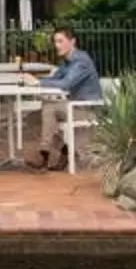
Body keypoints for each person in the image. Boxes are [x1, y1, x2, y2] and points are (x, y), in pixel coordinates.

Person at [28, 27, 102, 169]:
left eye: (60, 41)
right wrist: (35, 79)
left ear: (72, 42)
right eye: (55, 41)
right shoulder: (66, 62)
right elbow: (55, 78)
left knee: (50, 107)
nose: (56, 45)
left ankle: (44, 154)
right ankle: (67, 150)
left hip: (86, 109)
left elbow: (66, 84)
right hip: (72, 106)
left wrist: (38, 82)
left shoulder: (81, 61)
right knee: (33, 118)